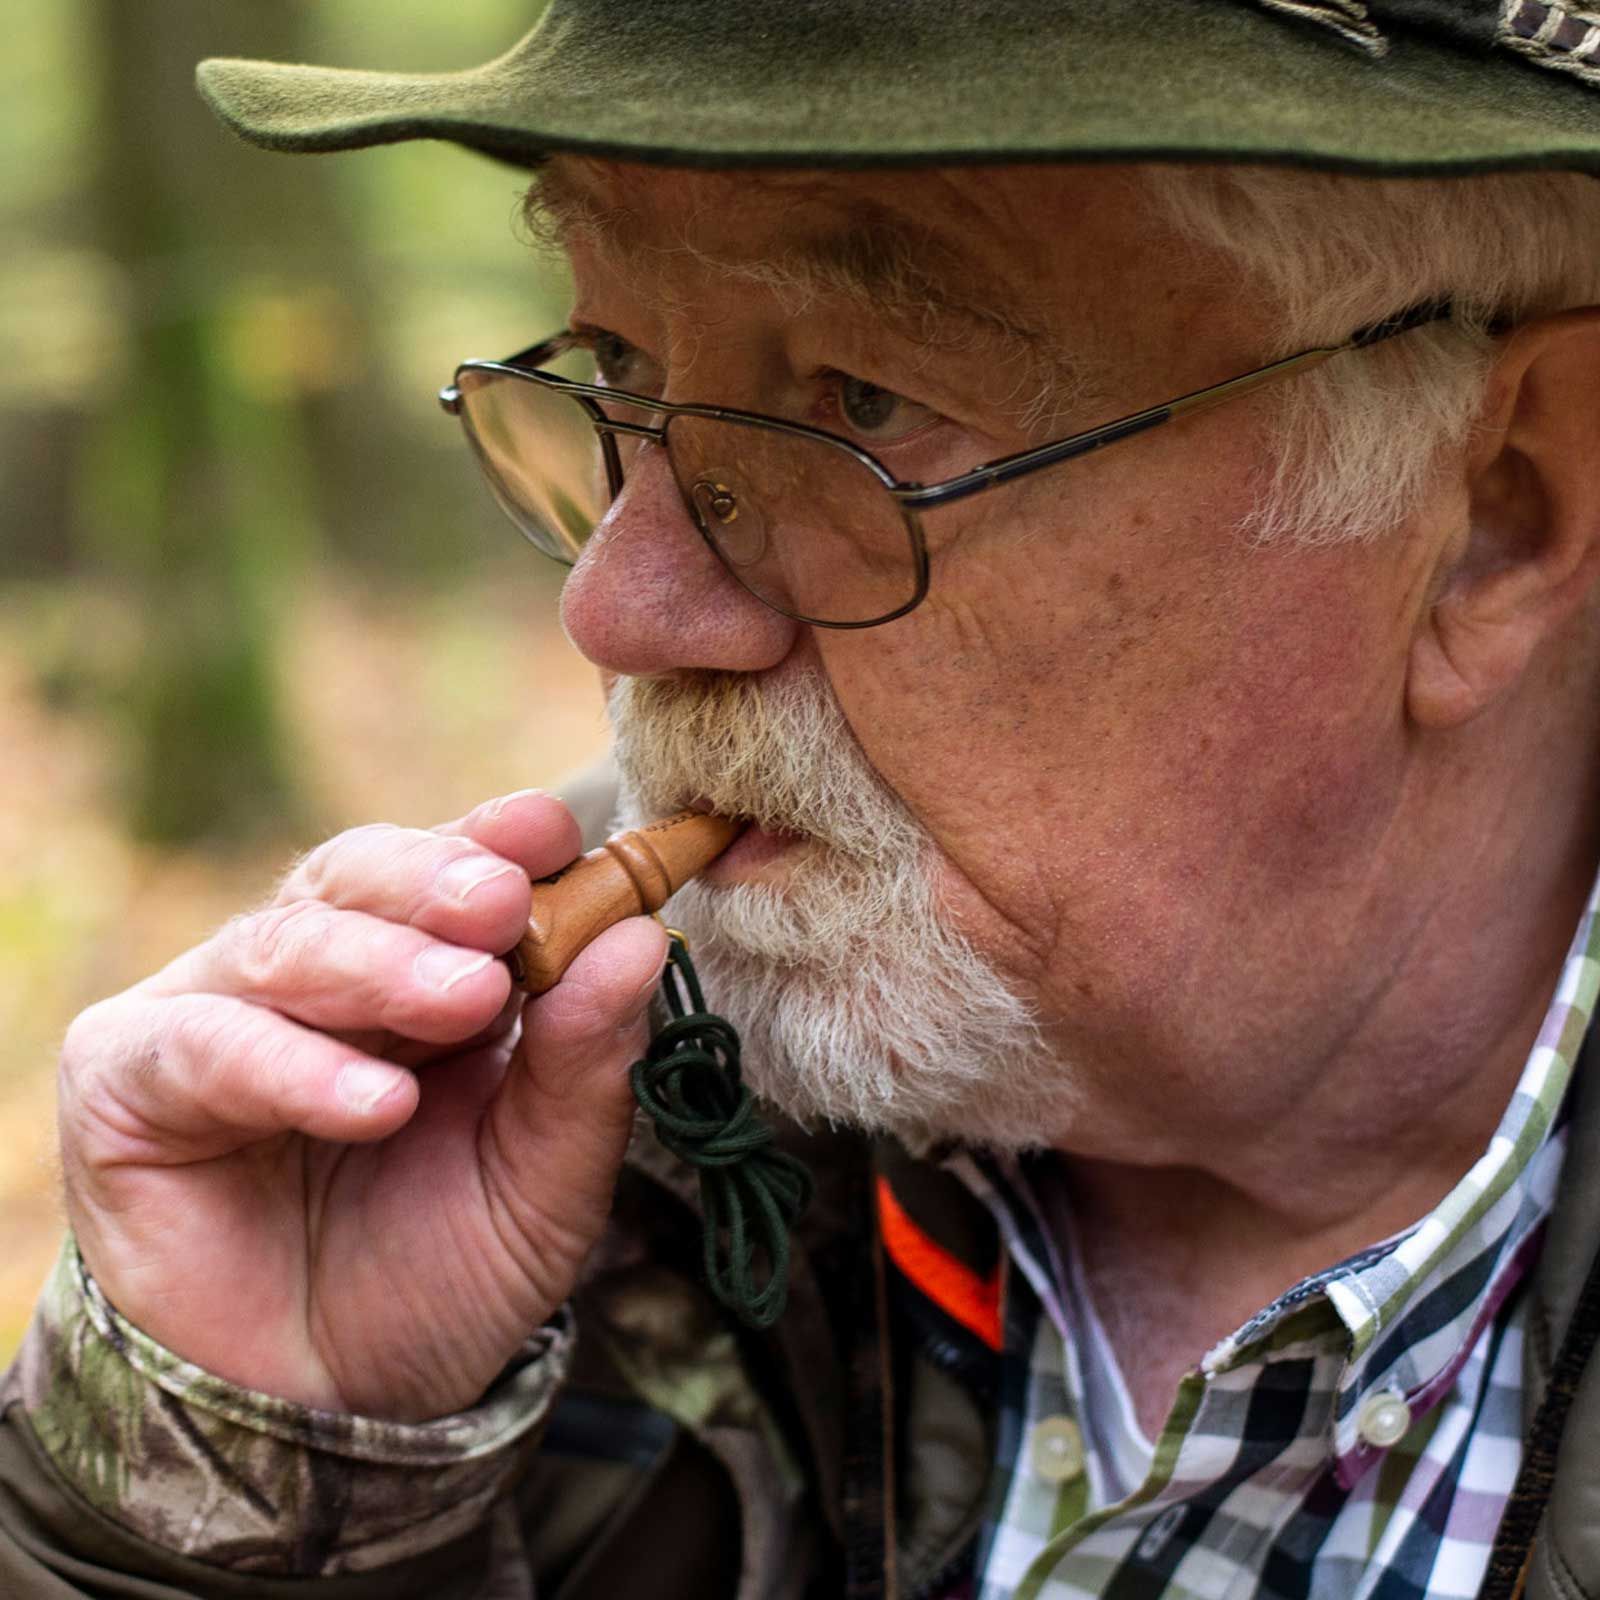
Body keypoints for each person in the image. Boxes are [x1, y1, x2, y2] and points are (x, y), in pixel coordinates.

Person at [5, 2, 1600, 1595]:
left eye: (867, 402)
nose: (619, 607)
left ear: (1500, 511)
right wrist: (253, 1488)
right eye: (620, 364)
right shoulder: (519, 1140)